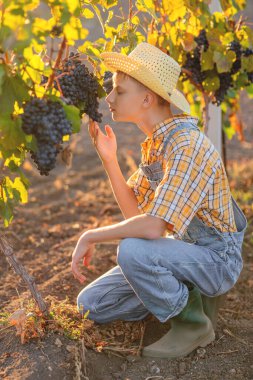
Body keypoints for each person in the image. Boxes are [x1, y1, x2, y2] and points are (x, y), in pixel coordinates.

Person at [71, 42, 248, 358]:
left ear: (147, 99)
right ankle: (177, 294)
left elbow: (151, 230)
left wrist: (91, 234)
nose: (109, 98)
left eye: (119, 91)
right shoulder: (158, 144)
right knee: (91, 304)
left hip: (216, 260)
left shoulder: (185, 146)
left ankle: (193, 324)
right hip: (180, 252)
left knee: (133, 250)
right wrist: (109, 160)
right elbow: (136, 215)